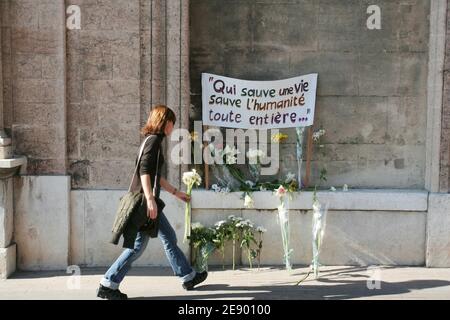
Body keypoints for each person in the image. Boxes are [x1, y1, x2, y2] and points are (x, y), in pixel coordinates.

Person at [97, 105, 207, 300]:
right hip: (146, 203)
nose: (173, 126)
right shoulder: (154, 141)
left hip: (150, 201)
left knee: (168, 237)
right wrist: (149, 199)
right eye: (172, 122)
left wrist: (176, 193)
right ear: (165, 122)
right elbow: (145, 172)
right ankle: (108, 283)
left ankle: (187, 276)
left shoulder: (153, 141)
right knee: (138, 247)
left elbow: (155, 175)